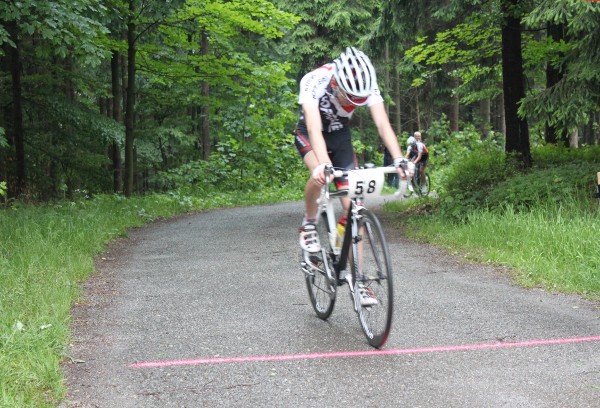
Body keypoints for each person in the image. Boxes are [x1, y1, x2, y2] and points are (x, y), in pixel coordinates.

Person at [293, 46, 411, 253]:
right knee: (322, 177)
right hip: (310, 133)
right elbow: (313, 127)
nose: (352, 106)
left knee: (354, 210)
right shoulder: (314, 80)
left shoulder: (366, 84)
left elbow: (383, 124)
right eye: (348, 99)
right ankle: (309, 223)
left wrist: (399, 159)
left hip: (340, 136)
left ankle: (357, 279)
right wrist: (323, 165)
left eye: (358, 101)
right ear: (334, 84)